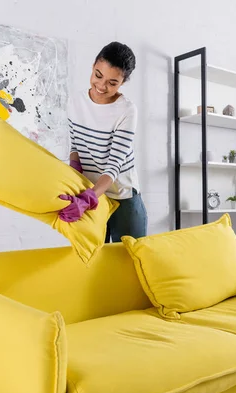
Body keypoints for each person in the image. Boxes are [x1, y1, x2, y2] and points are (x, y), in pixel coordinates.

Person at [59, 41, 147, 243]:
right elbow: (75, 145)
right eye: (98, 75)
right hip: (89, 192)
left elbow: (114, 165)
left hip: (122, 196)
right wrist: (75, 176)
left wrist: (88, 198)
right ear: (93, 66)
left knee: (129, 259)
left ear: (123, 82)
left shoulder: (126, 110)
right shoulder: (75, 102)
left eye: (112, 82)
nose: (101, 85)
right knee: (95, 260)